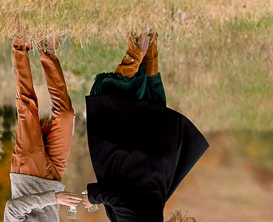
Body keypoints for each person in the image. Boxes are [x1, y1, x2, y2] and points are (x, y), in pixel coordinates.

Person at [83, 32, 208, 222]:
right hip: (133, 158)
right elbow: (118, 199)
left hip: (159, 160)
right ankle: (136, 52)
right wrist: (92, 198)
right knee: (110, 100)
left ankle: (149, 44)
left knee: (150, 105)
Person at [4, 38, 85, 222]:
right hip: (54, 178)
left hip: (27, 175)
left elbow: (13, 209)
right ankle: (46, 51)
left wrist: (54, 198)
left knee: (28, 107)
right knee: (65, 116)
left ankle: (20, 46)